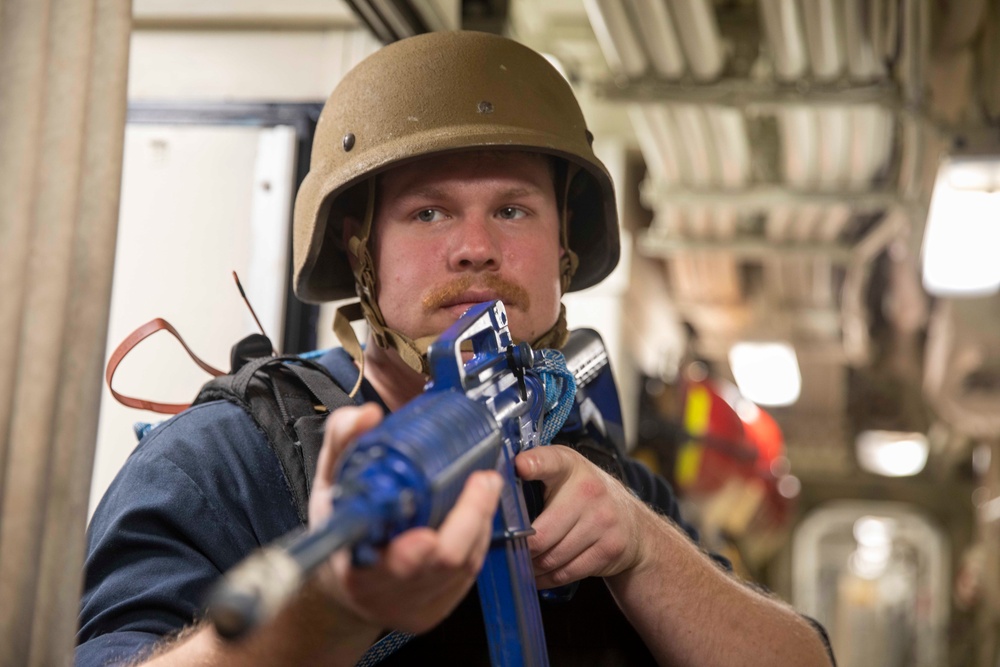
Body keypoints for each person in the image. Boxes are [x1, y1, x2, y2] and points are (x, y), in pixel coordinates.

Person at [76, 31, 835, 666]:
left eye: (511, 208)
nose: (476, 247)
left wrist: (643, 548)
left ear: (562, 247)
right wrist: (333, 606)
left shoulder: (603, 475)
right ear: (360, 246)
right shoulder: (220, 461)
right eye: (429, 212)